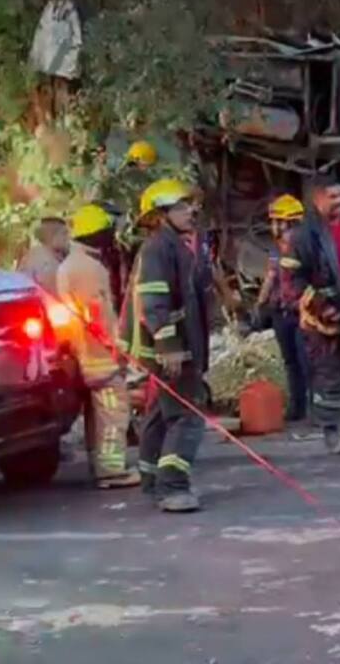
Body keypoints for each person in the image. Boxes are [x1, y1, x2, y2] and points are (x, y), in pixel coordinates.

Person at [119, 178, 210, 512]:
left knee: (162, 411)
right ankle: (172, 487)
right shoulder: (160, 247)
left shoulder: (174, 244)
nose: (191, 211)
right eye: (181, 206)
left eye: (190, 204)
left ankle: (150, 476)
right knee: (188, 415)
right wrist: (168, 345)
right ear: (159, 215)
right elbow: (155, 299)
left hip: (172, 345)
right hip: (170, 348)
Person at [282, 175, 340, 454]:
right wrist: (323, 307)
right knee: (328, 374)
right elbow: (292, 281)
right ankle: (331, 433)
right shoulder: (303, 236)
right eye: (333, 197)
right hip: (324, 318)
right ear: (317, 199)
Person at [58, 204, 141, 490]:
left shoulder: (74, 264)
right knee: (113, 413)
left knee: (98, 416)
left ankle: (102, 465)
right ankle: (112, 471)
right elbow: (98, 316)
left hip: (86, 353)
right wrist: (117, 348)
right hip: (98, 357)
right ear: (96, 233)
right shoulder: (88, 268)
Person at [255, 194, 309, 422]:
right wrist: (260, 305)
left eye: (279, 221)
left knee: (304, 361)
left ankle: (314, 408)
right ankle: (298, 407)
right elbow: (270, 277)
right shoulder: (277, 249)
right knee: (291, 361)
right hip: (282, 311)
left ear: (293, 222)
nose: (274, 226)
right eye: (274, 221)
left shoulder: (304, 247)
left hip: (301, 312)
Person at [17, 217, 70, 294]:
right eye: (64, 234)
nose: (68, 238)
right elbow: (56, 292)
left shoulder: (37, 253)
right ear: (52, 236)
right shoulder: (43, 259)